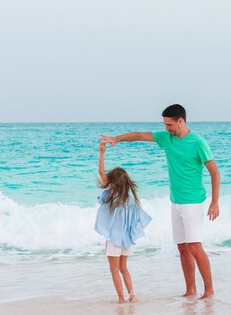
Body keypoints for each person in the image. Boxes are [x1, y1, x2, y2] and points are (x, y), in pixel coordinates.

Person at [100, 104, 220, 299]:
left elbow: (215, 173)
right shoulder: (167, 139)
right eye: (165, 124)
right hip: (176, 202)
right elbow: (140, 135)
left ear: (180, 121)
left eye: (169, 124)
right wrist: (117, 139)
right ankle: (190, 289)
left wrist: (215, 202)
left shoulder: (198, 142)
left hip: (193, 202)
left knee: (195, 247)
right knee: (182, 247)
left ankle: (209, 289)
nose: (166, 128)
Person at [94, 142, 152, 303]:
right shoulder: (131, 200)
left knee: (114, 270)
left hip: (114, 239)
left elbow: (101, 173)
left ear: (112, 182)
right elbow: (137, 220)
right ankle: (132, 296)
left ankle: (121, 299)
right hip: (127, 240)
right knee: (123, 268)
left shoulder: (110, 196)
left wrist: (102, 152)